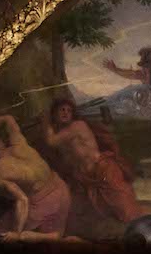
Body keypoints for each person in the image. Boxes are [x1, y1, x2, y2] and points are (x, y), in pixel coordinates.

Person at [43, 97, 144, 231]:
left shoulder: (77, 125)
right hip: (87, 177)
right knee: (95, 212)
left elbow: (51, 141)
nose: (66, 113)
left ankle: (142, 230)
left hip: (103, 170)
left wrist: (45, 121)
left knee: (123, 206)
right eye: (62, 110)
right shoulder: (63, 133)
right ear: (54, 114)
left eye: (69, 110)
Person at [0, 115, 72, 238]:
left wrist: (16, 233)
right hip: (62, 189)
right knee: (57, 238)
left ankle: (31, 236)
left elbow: (22, 200)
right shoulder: (18, 142)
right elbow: (8, 118)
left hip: (45, 203)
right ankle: (51, 236)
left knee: (1, 230)